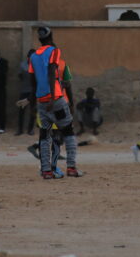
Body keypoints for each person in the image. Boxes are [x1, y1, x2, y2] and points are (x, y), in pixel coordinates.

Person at [29, 26, 83, 179]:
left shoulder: (33, 56)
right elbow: (52, 72)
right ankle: (71, 167)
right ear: (51, 37)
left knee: (44, 136)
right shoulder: (54, 51)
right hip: (56, 100)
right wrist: (53, 96)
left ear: (39, 39)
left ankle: (46, 171)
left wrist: (33, 104)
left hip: (41, 101)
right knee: (68, 132)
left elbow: (32, 83)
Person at [15, 49, 36, 136]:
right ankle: (20, 129)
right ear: (28, 57)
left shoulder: (36, 66)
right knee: (21, 110)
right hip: (24, 90)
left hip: (33, 91)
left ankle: (30, 129)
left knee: (33, 110)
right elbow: (20, 76)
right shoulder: (22, 65)